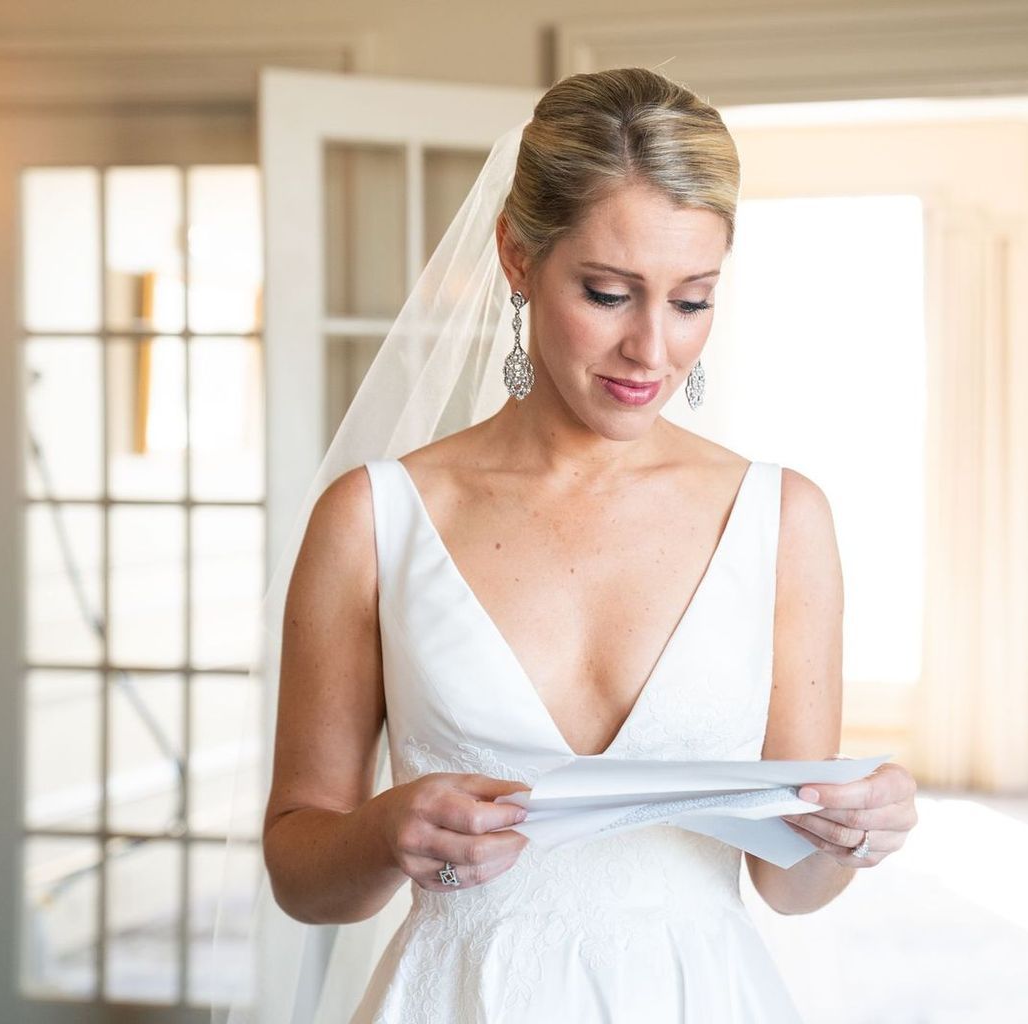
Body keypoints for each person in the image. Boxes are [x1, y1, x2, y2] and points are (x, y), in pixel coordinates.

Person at [221, 67, 920, 1023]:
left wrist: (848, 836)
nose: (651, 350)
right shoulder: (373, 517)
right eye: (606, 292)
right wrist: (385, 832)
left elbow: (786, 885)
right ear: (516, 256)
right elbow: (302, 877)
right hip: (460, 997)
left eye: (690, 301)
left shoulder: (781, 520)